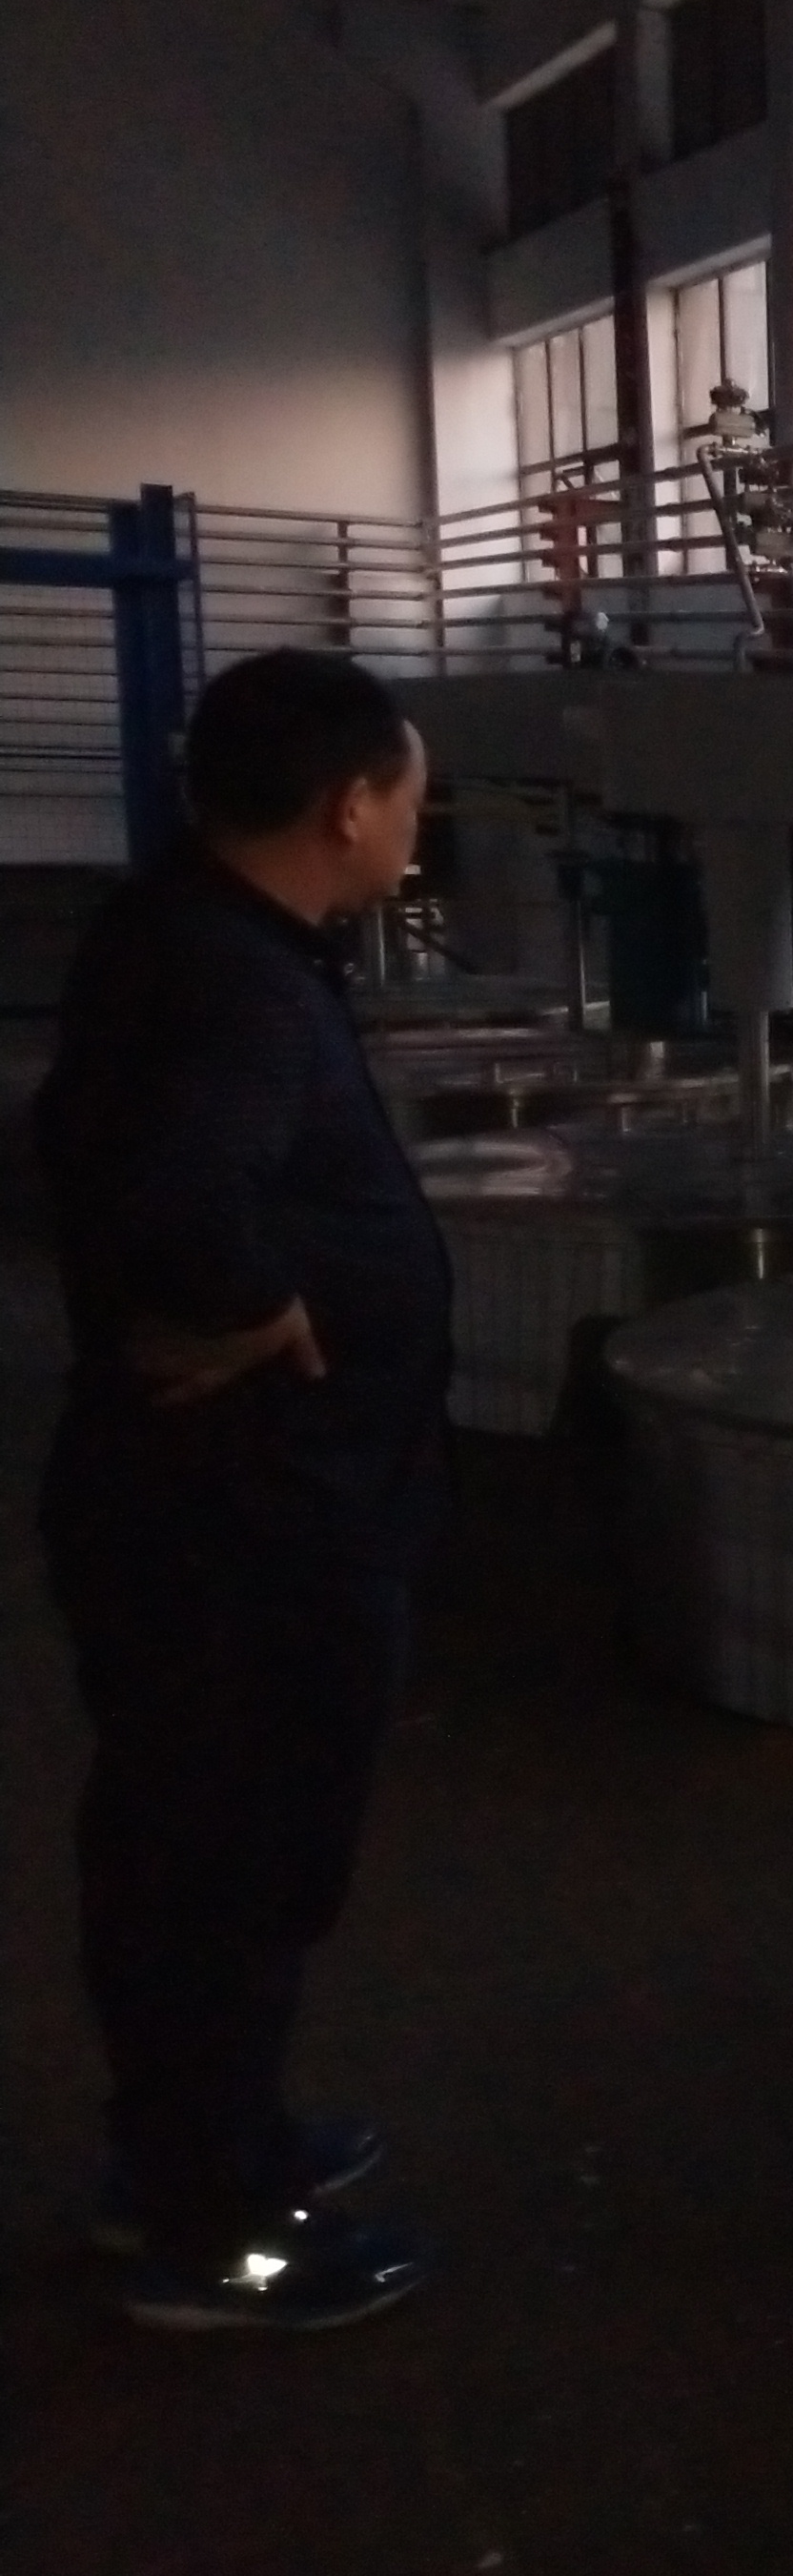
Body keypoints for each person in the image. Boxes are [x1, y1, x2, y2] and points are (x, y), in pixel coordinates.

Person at [35, 650, 449, 2330]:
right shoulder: (239, 983)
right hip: (248, 1522)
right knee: (233, 1863)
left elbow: (72, 1147)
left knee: (190, 1846)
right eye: (410, 796)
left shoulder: (182, 933)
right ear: (347, 806)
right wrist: (261, 1304)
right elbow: (183, 1191)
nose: (416, 824)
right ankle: (219, 2237)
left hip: (201, 1507)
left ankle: (204, 2146)